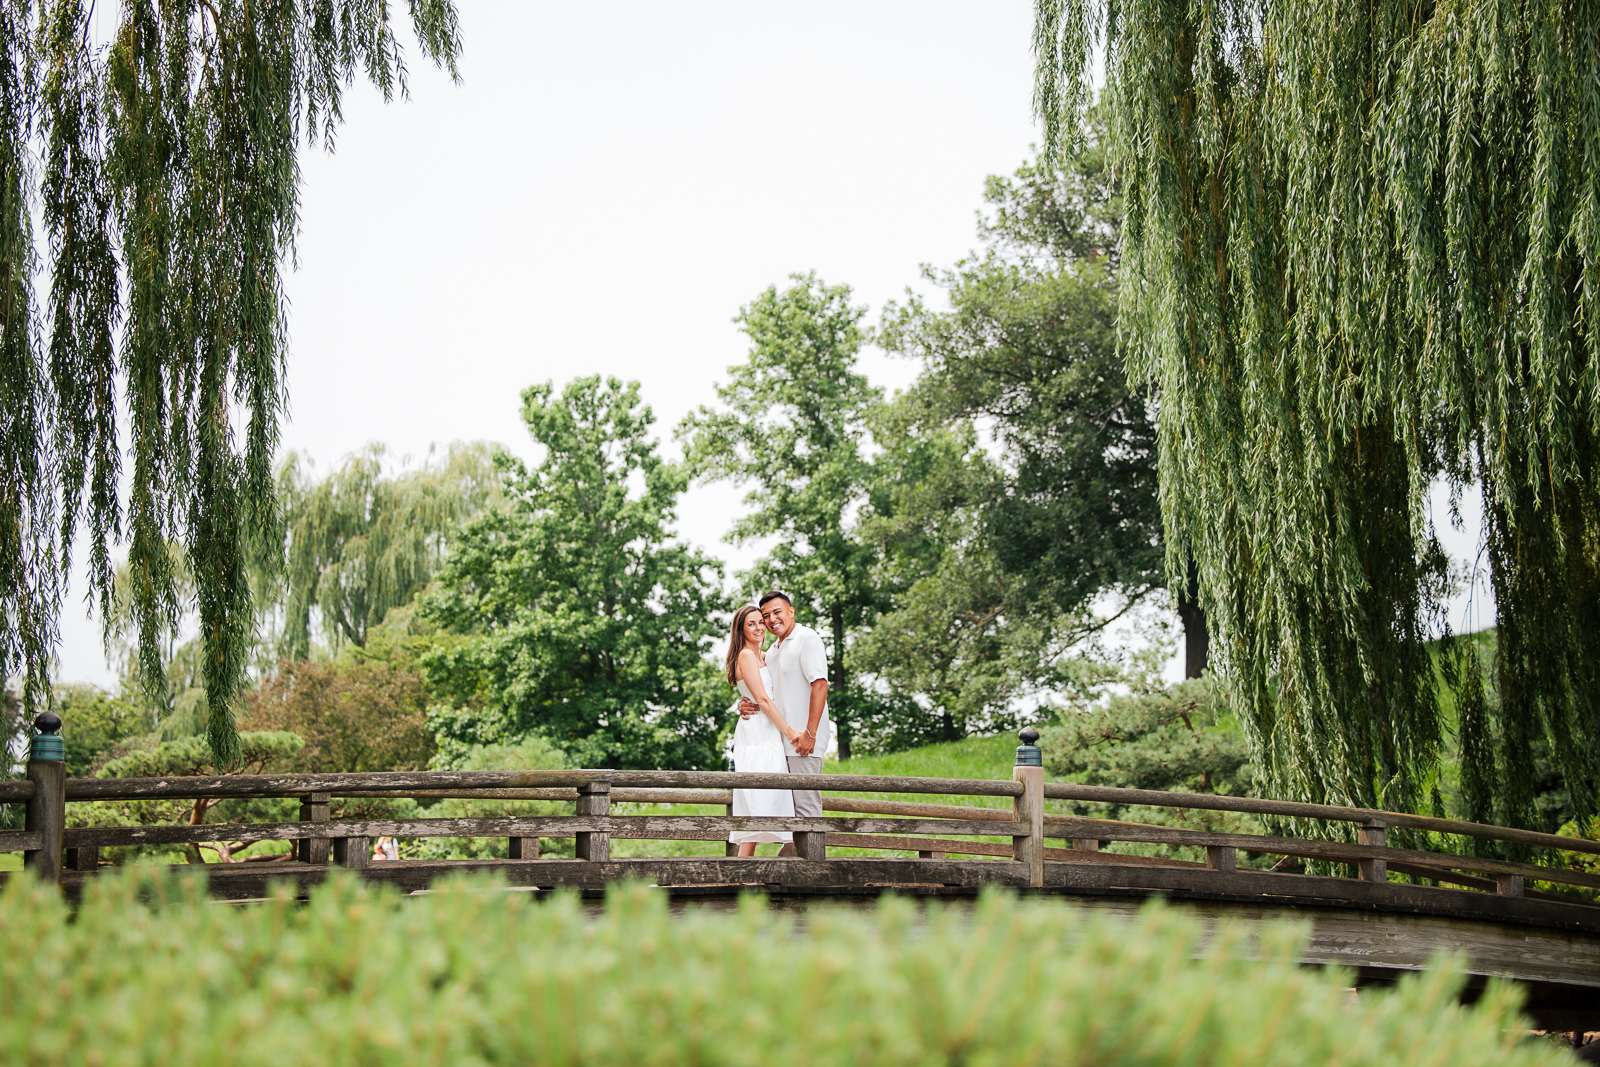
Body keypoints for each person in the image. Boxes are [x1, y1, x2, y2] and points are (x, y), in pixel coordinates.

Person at [738, 591, 830, 835]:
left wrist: (810, 734)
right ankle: (789, 869)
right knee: (788, 817)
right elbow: (763, 690)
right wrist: (743, 702)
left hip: (802, 744)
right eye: (765, 615)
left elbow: (820, 685)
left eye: (776, 612)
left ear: (791, 611)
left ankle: (814, 871)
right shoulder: (774, 651)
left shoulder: (806, 638)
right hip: (777, 746)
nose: (771, 619)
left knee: (806, 814)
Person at [725, 604, 801, 856]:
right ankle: (741, 876)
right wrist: (790, 733)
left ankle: (747, 873)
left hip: (769, 733)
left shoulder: (763, 656)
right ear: (741, 630)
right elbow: (763, 700)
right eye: (751, 624)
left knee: (769, 798)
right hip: (757, 733)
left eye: (761, 622)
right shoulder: (746, 655)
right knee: (757, 799)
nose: (759, 627)